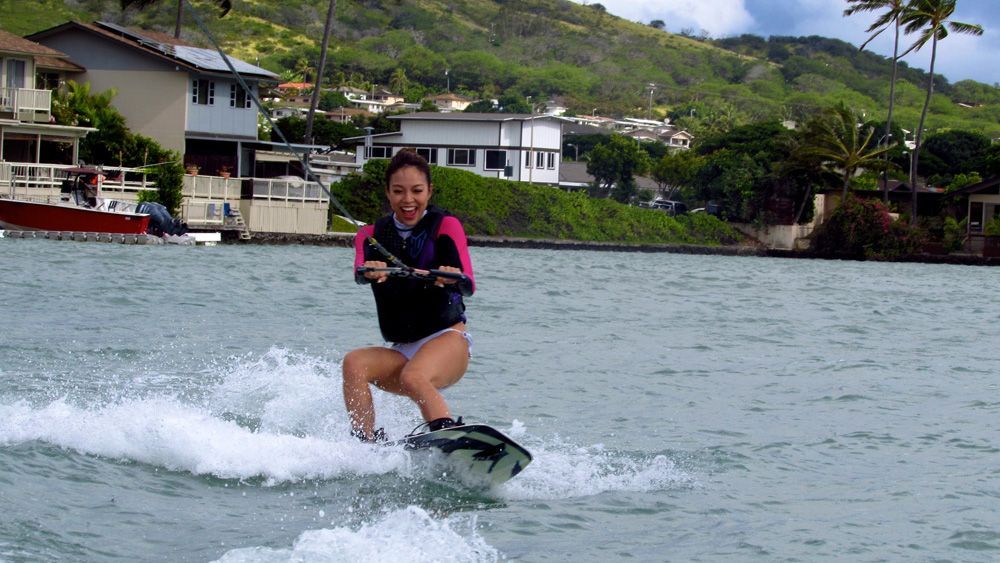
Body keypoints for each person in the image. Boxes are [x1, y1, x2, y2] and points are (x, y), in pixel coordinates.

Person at [343, 149, 476, 443]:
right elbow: (359, 273)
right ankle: (364, 443)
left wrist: (449, 275)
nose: (408, 200)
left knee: (414, 376)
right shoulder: (370, 235)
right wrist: (371, 270)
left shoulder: (446, 226)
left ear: (429, 191)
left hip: (447, 340)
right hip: (402, 349)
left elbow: (469, 283)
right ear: (388, 193)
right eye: (398, 191)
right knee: (354, 363)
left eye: (417, 191)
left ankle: (446, 433)